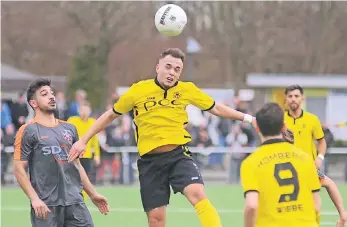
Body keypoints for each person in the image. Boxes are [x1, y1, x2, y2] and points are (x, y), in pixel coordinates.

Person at [68, 48, 257, 227]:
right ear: (158, 67)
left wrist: (248, 118)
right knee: (156, 220)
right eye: (168, 67)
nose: (172, 72)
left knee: (197, 194)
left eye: (177, 69)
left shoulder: (187, 89)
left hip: (178, 155)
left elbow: (215, 108)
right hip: (150, 162)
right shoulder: (138, 90)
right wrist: (83, 140)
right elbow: (110, 115)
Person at [13, 78, 109, 227]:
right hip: (46, 206)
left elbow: (77, 165)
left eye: (52, 93)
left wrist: (92, 194)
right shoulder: (27, 130)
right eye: (44, 94)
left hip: (75, 203)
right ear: (33, 103)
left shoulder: (69, 128)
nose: (51, 96)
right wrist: (34, 199)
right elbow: (18, 168)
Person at [241, 102, 321, 227]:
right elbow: (316, 205)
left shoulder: (250, 162)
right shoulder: (305, 158)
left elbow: (251, 206)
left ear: (257, 128)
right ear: (284, 127)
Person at [284, 85, 347, 226]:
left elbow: (322, 142)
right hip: (286, 170)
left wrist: (320, 157)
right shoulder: (280, 121)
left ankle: (343, 215)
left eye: (296, 96)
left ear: (302, 98)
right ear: (285, 100)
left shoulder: (312, 119)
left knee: (317, 205)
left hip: (308, 169)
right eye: (290, 96)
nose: (293, 99)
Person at [67, 101, 101, 200]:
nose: (84, 112)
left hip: (87, 156)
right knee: (72, 179)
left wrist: (97, 155)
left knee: (86, 180)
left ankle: (82, 201)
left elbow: (95, 140)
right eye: (82, 109)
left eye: (86, 109)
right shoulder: (72, 120)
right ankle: (72, 198)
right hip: (74, 155)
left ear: (89, 111)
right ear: (79, 110)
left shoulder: (93, 122)